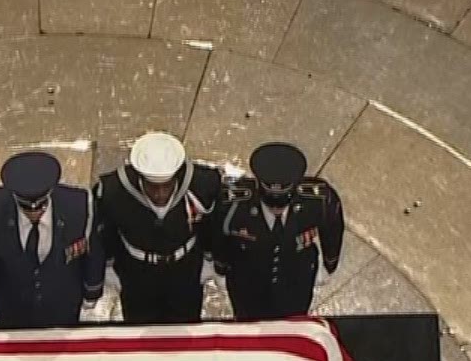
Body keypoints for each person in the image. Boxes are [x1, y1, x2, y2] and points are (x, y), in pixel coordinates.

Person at [95, 132, 224, 324]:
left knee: (184, 325)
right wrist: (108, 264)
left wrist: (210, 258)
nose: (160, 194)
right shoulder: (113, 191)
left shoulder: (203, 184)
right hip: (136, 273)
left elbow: (213, 224)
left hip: (185, 271)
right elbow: (106, 231)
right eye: (153, 187)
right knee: (140, 326)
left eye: (167, 186)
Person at [0, 151, 106, 329]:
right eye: (26, 208)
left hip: (63, 302)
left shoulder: (78, 206)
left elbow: (93, 250)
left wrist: (92, 290)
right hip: (12, 303)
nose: (34, 213)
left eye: (41, 207)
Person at [212, 142, 345, 320]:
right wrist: (220, 267)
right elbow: (218, 234)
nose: (277, 209)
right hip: (247, 283)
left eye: (282, 203)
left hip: (296, 279)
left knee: (294, 321)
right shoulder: (233, 203)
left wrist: (329, 264)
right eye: (270, 202)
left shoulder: (318, 200)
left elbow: (333, 227)